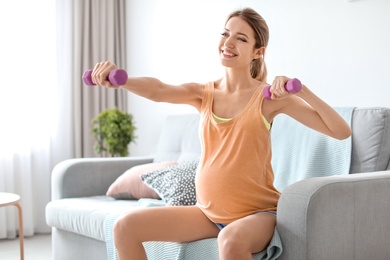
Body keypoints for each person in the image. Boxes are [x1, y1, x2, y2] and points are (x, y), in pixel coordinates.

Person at [90, 7, 351, 260]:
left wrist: (301, 90)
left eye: (241, 38)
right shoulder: (204, 93)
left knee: (230, 240)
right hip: (207, 214)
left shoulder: (268, 98)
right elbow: (159, 90)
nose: (229, 42)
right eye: (225, 34)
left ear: (258, 52)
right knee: (125, 227)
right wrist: (122, 81)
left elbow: (341, 131)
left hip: (258, 214)